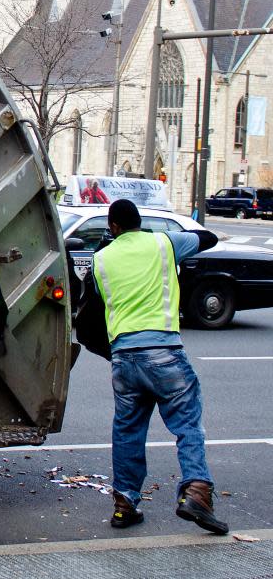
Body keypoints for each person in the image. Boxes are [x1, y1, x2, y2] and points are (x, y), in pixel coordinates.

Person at [91, 199, 228, 534]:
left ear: (113, 227)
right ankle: (197, 491)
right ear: (139, 221)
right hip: (163, 351)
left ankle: (124, 505)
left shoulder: (101, 259)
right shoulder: (163, 243)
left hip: (124, 358)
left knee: (127, 431)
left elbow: (97, 300)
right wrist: (166, 238)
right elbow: (208, 238)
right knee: (187, 424)